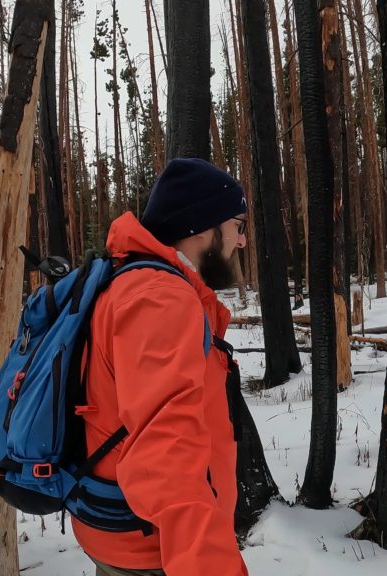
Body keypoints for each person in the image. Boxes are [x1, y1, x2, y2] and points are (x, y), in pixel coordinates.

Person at [72, 158, 250, 576]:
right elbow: (167, 458)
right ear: (201, 227)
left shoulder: (137, 284)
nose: (241, 241)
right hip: (154, 551)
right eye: (237, 225)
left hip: (134, 535)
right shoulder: (160, 300)